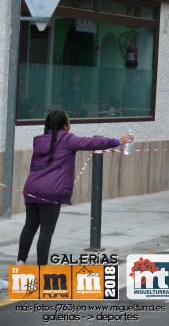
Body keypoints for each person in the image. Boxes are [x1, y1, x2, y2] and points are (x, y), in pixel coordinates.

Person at [17, 110, 131, 265]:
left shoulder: (39, 140)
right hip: (51, 192)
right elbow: (93, 143)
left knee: (30, 227)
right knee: (46, 231)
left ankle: (20, 263)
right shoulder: (67, 139)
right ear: (65, 125)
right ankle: (41, 270)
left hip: (32, 189)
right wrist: (119, 140)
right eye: (69, 121)